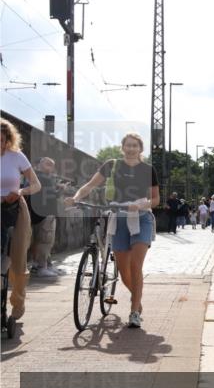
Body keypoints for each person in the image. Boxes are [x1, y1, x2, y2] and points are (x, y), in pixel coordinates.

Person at [68, 132, 159, 328]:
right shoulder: (111, 165)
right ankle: (137, 299)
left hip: (141, 218)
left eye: (135, 145)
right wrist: (75, 198)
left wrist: (141, 205)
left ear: (140, 149)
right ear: (122, 147)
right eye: (128, 145)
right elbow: (90, 185)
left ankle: (134, 312)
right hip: (118, 217)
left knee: (135, 266)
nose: (131, 148)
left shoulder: (147, 169)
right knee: (124, 271)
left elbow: (156, 199)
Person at [1, 119, 42, 328]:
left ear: (8, 139)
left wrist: (20, 191)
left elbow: (36, 185)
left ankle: (17, 303)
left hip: (15, 209)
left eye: (2, 139)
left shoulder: (17, 156)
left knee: (17, 260)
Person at [27, 157, 69, 278]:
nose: (50, 167)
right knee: (45, 241)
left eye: (52, 165)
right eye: (48, 164)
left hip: (35, 214)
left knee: (40, 241)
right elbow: (52, 195)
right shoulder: (45, 178)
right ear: (40, 165)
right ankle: (42, 267)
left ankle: (43, 265)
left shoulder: (34, 177)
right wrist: (62, 189)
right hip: (46, 214)